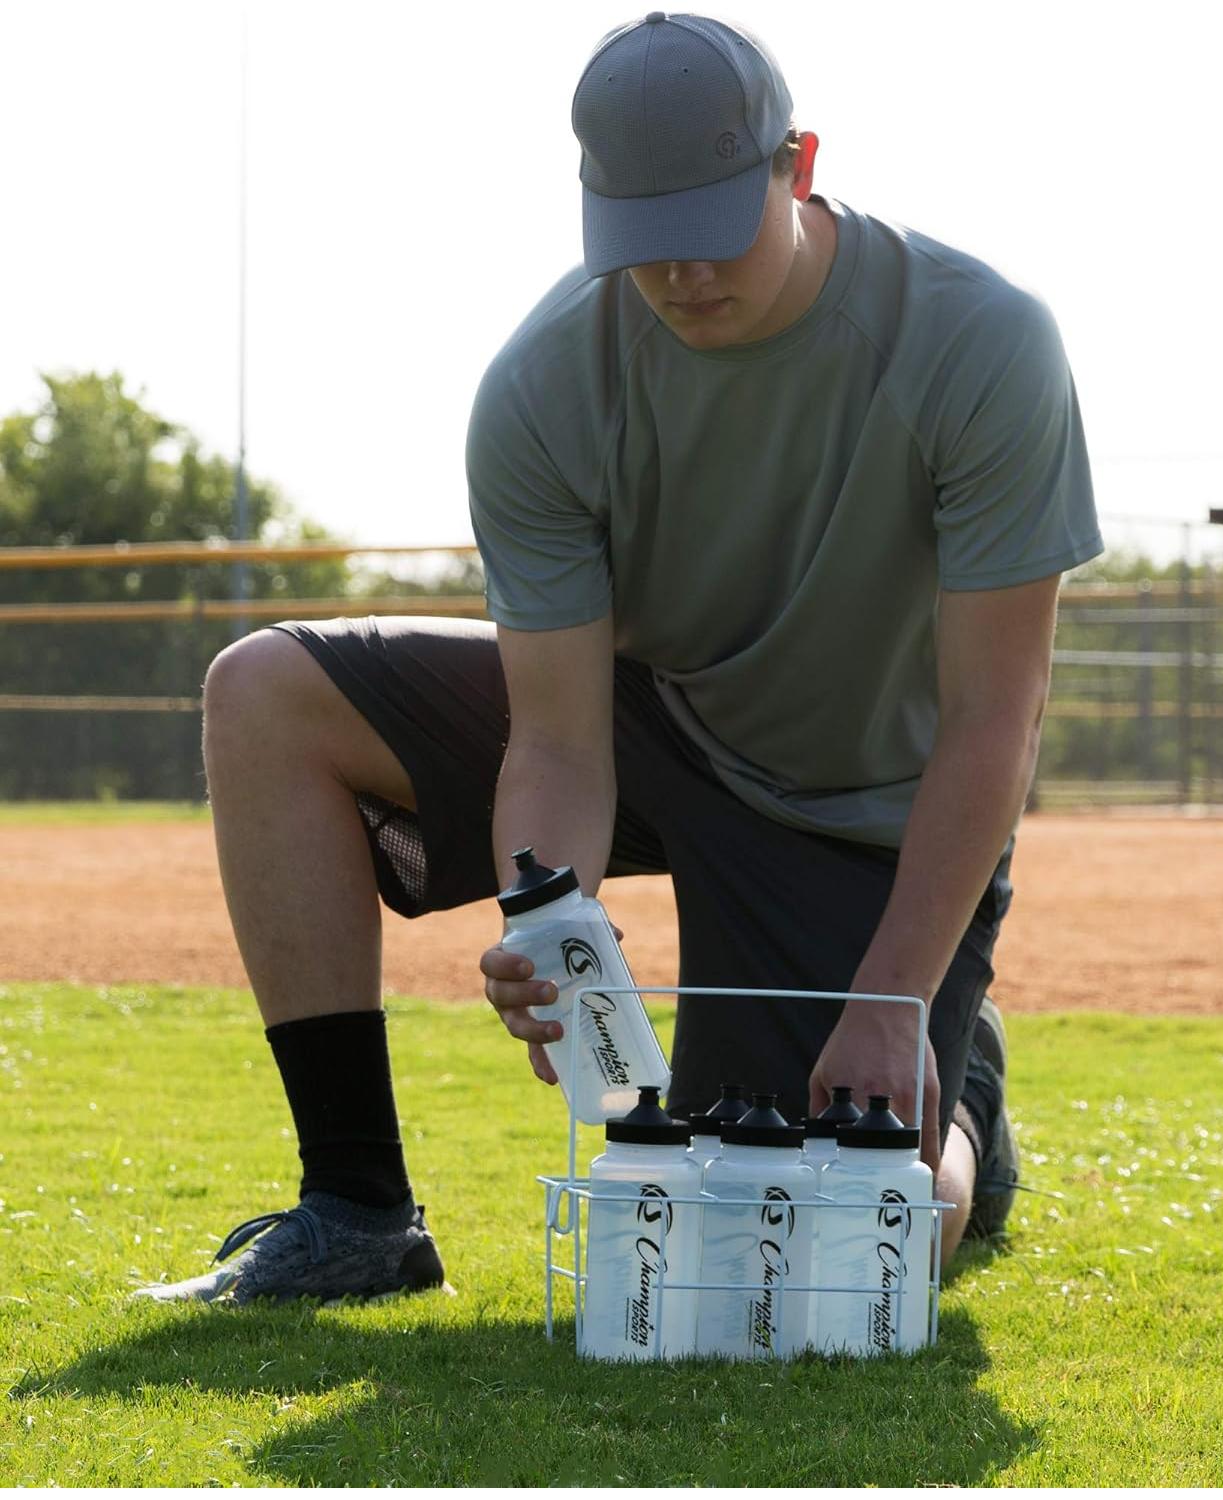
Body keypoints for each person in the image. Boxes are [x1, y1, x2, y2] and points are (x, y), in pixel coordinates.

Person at [135, 11, 1101, 1305]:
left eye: (711, 228)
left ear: (796, 164)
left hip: (854, 815)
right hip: (654, 724)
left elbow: (996, 718)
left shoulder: (982, 344)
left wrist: (891, 993)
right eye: (643, 242)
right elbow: (560, 738)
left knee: (820, 1248)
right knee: (264, 691)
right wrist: (556, 919)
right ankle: (356, 1207)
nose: (681, 276)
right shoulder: (544, 386)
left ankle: (963, 1092)